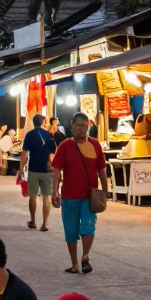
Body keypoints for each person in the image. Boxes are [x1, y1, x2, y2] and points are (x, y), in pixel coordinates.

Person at [51, 111, 108, 274]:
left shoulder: (95, 145)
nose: (82, 129)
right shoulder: (65, 146)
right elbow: (56, 171)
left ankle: (85, 257)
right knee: (71, 231)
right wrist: (55, 191)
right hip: (69, 196)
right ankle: (74, 263)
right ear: (72, 126)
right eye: (79, 126)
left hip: (89, 197)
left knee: (88, 228)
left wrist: (105, 190)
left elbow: (101, 170)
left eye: (85, 126)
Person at [19, 113, 57, 231]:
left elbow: (24, 154)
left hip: (33, 169)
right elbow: (53, 155)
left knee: (33, 196)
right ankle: (45, 223)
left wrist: (21, 169)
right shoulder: (49, 135)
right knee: (47, 196)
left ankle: (33, 220)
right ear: (43, 121)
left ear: (33, 122)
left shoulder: (29, 135)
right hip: (46, 170)